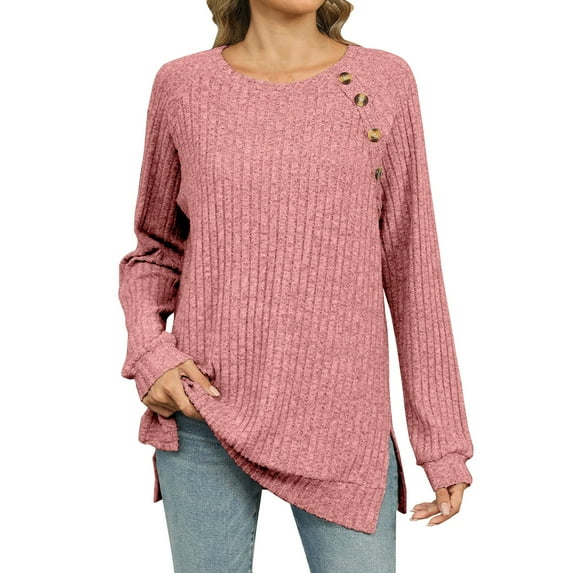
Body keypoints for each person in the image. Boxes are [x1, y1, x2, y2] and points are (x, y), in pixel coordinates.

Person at [117, 1, 475, 571]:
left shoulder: (383, 81)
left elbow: (413, 269)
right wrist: (151, 353)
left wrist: (443, 443)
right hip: (204, 409)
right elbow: (156, 251)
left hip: (344, 428)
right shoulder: (183, 86)